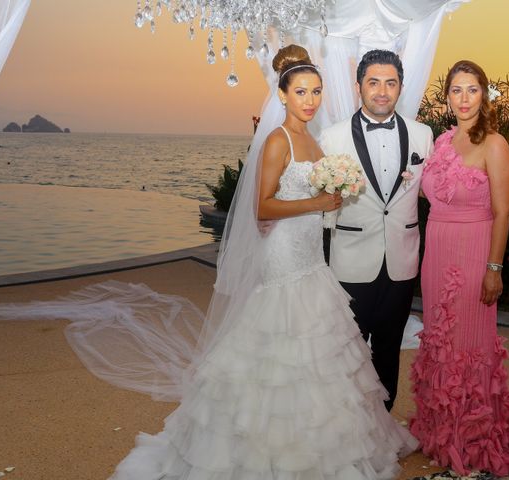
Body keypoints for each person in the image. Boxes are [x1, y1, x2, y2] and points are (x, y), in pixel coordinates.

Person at [104, 44, 417, 479]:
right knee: (282, 345)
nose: (310, 100)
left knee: (322, 350)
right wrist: (318, 201)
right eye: (301, 92)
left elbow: (324, 202)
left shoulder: (313, 138)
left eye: (317, 92)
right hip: (284, 255)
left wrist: (333, 200)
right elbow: (262, 208)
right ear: (283, 96)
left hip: (312, 257)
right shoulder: (278, 140)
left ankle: (319, 442)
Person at [408, 60, 509, 477]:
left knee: (467, 342)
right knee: (440, 338)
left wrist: (494, 268)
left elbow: (503, 212)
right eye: (456, 90)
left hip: (473, 251)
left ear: (484, 95)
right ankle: (440, 428)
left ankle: (471, 433)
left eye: (472, 90)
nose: (463, 98)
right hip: (437, 251)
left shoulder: (495, 144)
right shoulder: (441, 142)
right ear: (447, 97)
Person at [320, 50, 433, 411]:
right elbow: (320, 202)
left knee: (388, 349)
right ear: (359, 87)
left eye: (390, 83)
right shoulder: (332, 138)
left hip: (402, 260)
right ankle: (347, 426)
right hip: (350, 259)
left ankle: (382, 424)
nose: (382, 91)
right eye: (373, 82)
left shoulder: (422, 135)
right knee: (347, 350)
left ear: (400, 87)